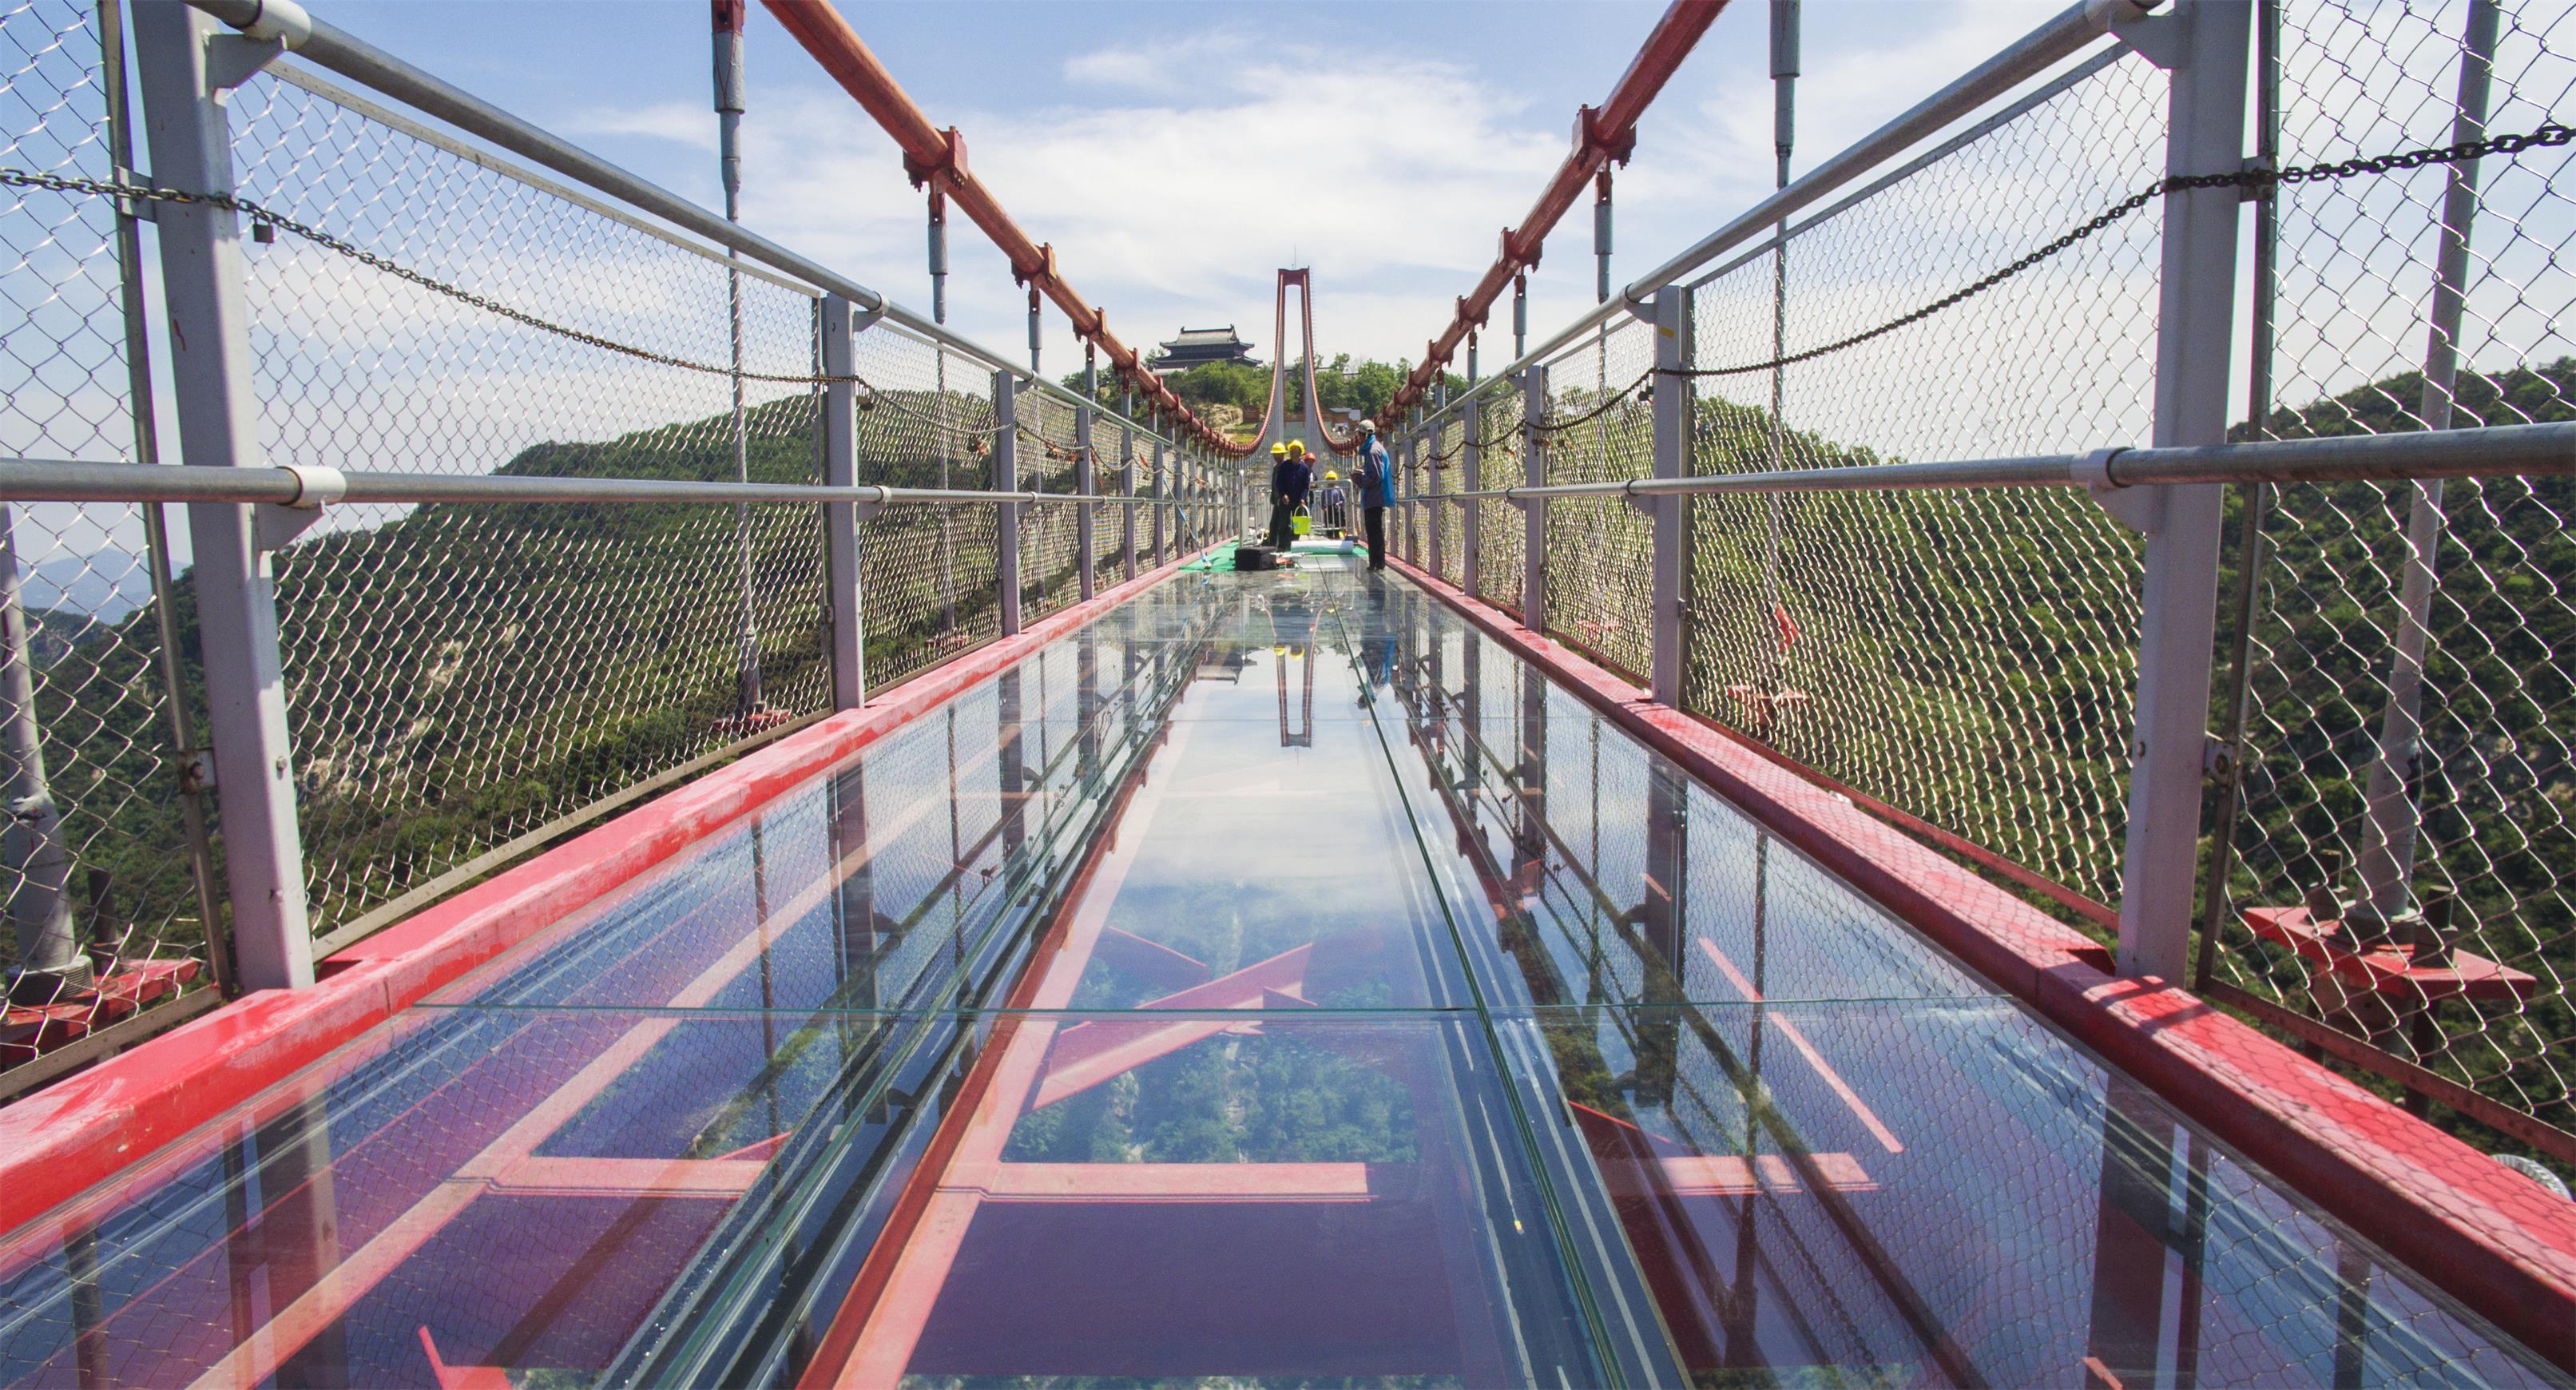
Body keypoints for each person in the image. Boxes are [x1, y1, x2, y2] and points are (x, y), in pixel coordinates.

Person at [1352, 418, 1391, 570]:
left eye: (1360, 436)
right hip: (1375, 496)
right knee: (1374, 530)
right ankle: (1377, 562)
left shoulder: (1373, 451)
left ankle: (1377, 563)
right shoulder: (1375, 448)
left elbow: (1375, 476)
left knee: (1374, 530)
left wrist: (1358, 479)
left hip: (1374, 497)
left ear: (1365, 436)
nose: (1359, 439)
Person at [1266, 441, 1309, 550]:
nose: (1293, 452)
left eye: (1295, 450)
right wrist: (1283, 495)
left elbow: (1306, 485)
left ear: (1300, 452)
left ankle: (1293, 545)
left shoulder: (1304, 468)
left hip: (1298, 501)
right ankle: (1282, 546)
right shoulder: (1284, 466)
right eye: (1292, 450)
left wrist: (1303, 498)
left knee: (1297, 526)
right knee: (1283, 524)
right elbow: (1279, 482)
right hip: (1286, 500)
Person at [1316, 470, 1348, 537]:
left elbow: (1343, 499)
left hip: (1337, 510)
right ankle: (1330, 536)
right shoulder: (1324, 490)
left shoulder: (1338, 489)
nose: (1331, 481)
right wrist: (1324, 508)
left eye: (1332, 479)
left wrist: (1339, 504)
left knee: (1337, 524)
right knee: (1329, 524)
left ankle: (1337, 536)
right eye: (1329, 479)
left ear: (1335, 480)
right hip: (1328, 509)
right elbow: (1321, 501)